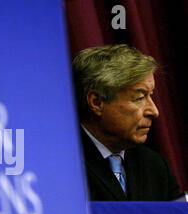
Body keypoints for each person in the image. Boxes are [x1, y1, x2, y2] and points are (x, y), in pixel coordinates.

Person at [72, 44, 181, 201]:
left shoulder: (155, 167)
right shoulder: (62, 162)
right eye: (140, 98)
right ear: (97, 102)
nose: (154, 111)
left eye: (151, 95)